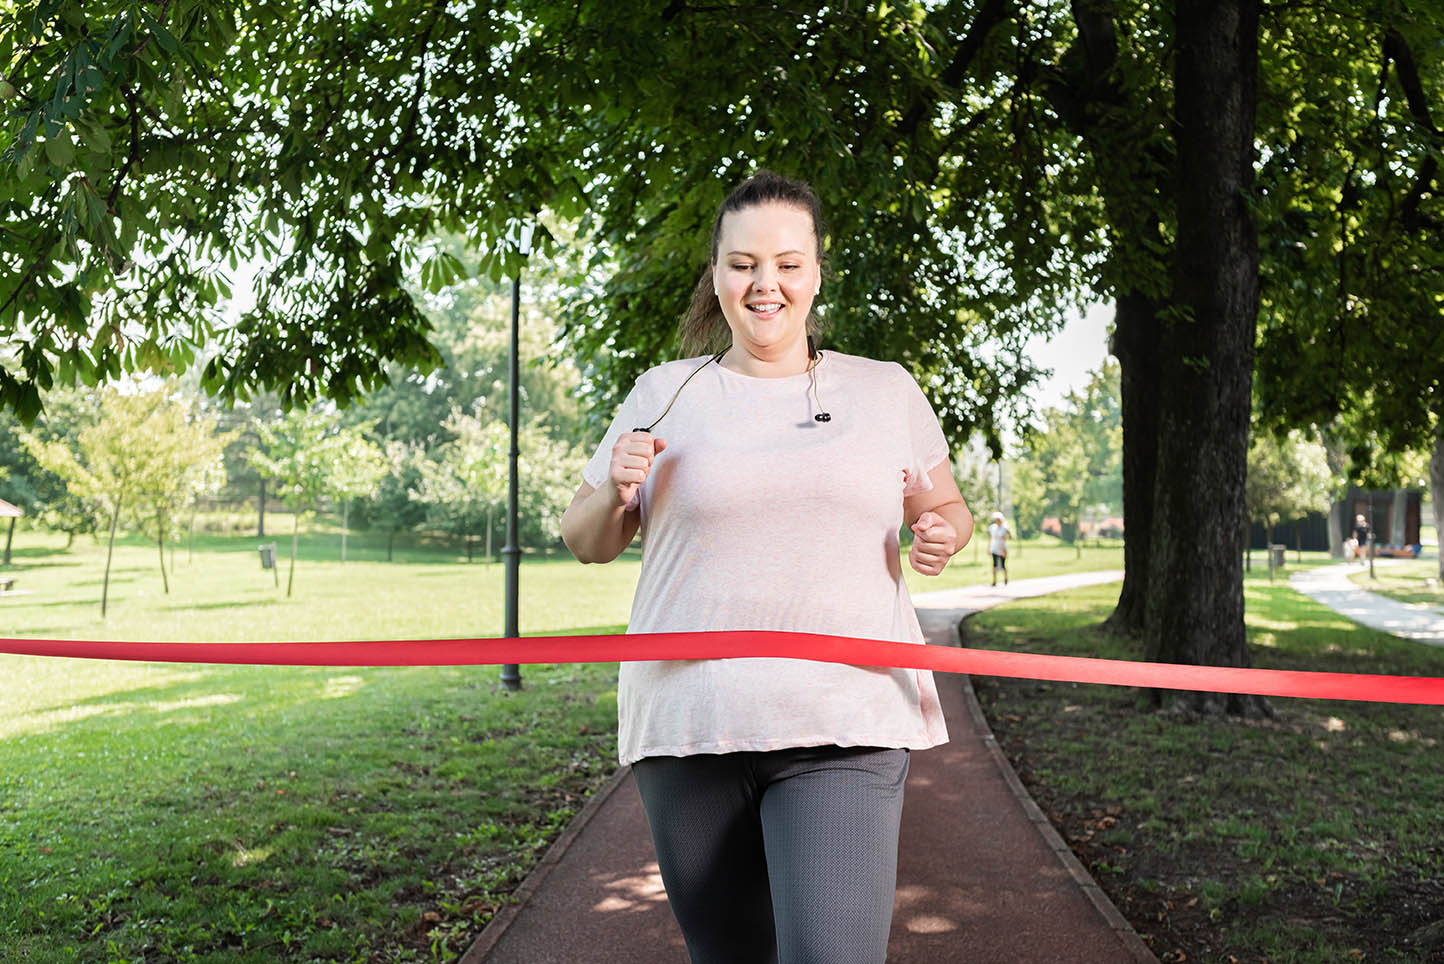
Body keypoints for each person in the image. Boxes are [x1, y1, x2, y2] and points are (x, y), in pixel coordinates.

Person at [560, 170, 972, 964]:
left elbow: (944, 509)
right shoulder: (664, 392)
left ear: (816, 271)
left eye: (787, 262)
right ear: (716, 274)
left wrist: (941, 535)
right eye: (743, 263)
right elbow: (586, 540)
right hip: (688, 727)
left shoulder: (884, 392)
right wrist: (616, 486)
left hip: (844, 722)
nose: (765, 284)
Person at [987, 511, 1009, 585]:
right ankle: (994, 581)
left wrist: (1004, 550)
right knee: (994, 565)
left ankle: (1006, 578)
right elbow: (991, 538)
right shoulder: (993, 527)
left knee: (1003, 565)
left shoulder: (1004, 528)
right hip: (994, 548)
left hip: (1002, 548)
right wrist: (989, 548)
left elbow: (1007, 537)